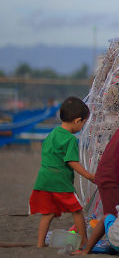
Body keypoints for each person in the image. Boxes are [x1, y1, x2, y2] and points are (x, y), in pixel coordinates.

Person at [29, 96, 95, 249]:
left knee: (48, 213)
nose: (83, 126)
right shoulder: (70, 139)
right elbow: (72, 162)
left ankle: (39, 244)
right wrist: (89, 176)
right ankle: (84, 241)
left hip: (44, 178)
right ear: (78, 121)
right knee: (77, 210)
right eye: (84, 123)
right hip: (60, 181)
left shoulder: (52, 133)